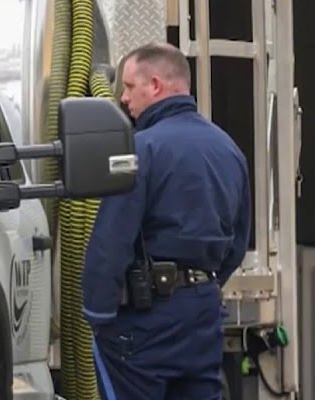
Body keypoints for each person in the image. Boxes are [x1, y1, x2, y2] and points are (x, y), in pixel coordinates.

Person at [81, 41, 251, 399]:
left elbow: (111, 240)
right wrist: (201, 286)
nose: (124, 99)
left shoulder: (140, 149)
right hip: (202, 316)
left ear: (155, 85)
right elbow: (237, 242)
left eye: (129, 87)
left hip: (145, 320)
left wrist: (97, 314)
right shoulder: (229, 150)